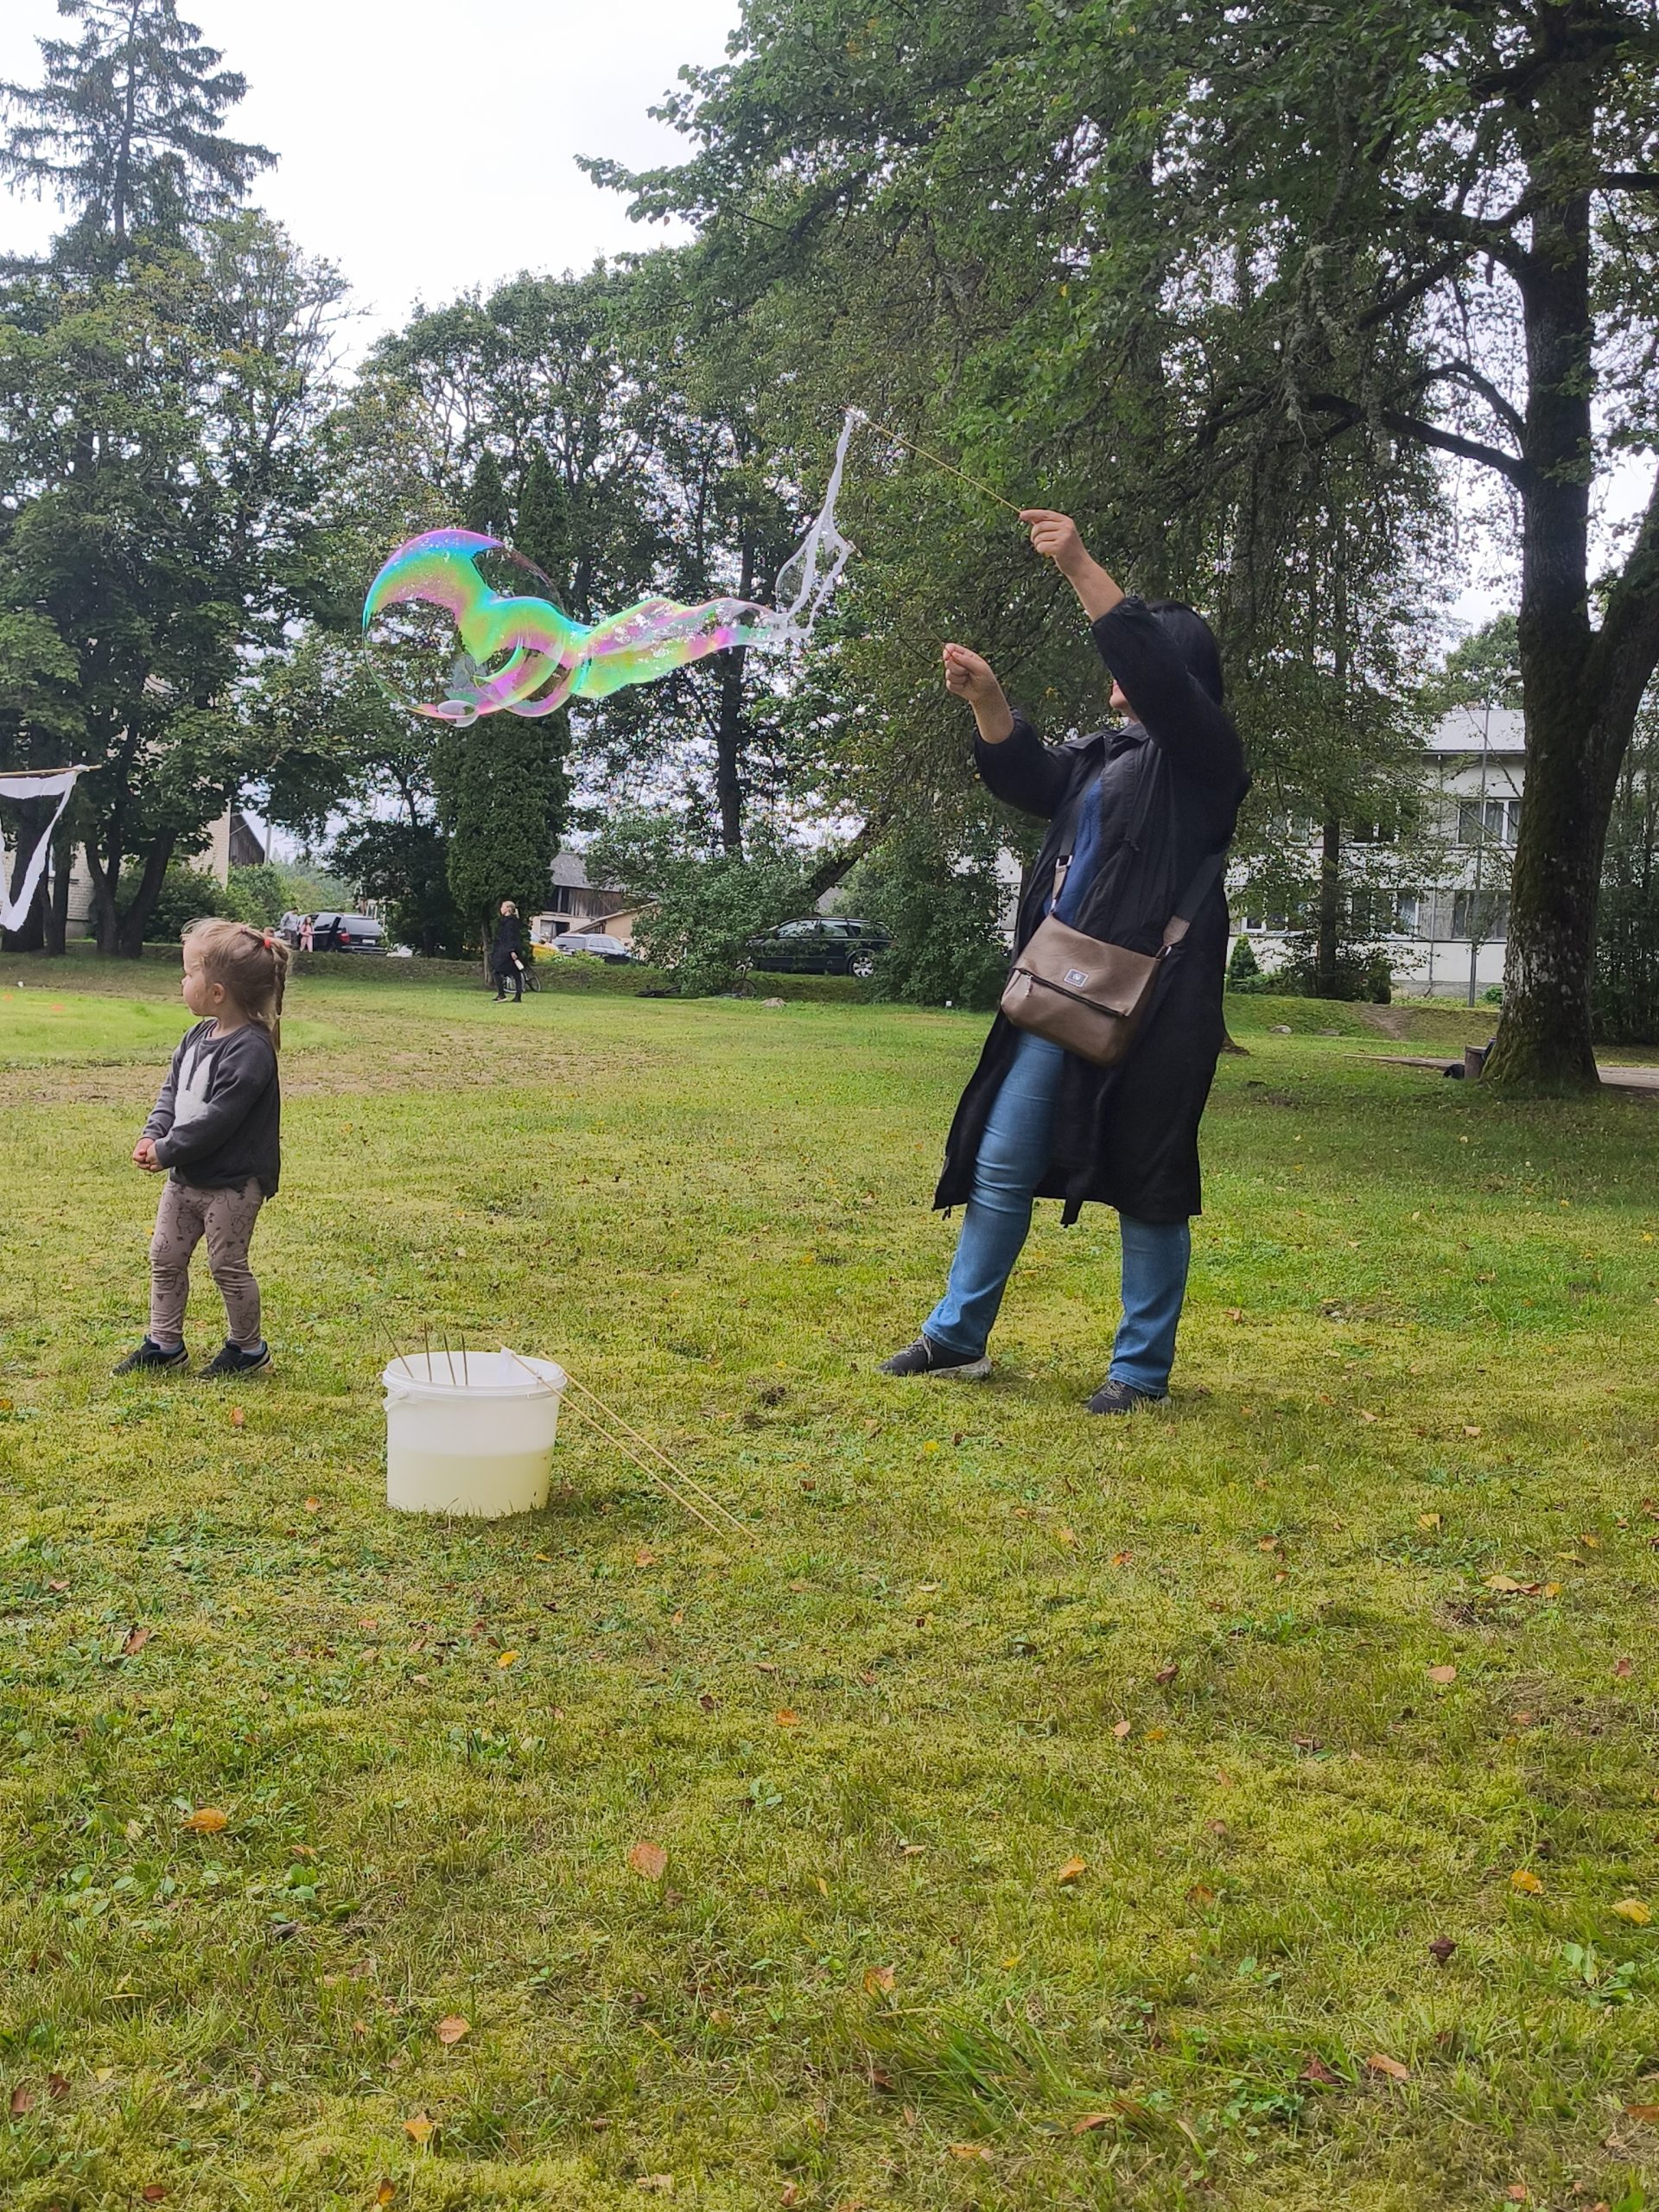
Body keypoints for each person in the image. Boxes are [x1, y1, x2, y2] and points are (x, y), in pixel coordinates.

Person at [880, 510, 1248, 1413]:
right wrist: (988, 701)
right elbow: (1028, 776)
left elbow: (1155, 674)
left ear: (1173, 668)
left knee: (1151, 1182)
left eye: (1141, 648)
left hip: (1160, 1003)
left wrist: (1079, 563)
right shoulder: (1105, 754)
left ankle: (1141, 1374)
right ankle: (958, 1337)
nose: (1118, 664)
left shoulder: (1205, 758)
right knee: (1002, 1156)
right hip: (1059, 986)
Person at [113, 919, 289, 1379]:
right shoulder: (195, 1038)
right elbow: (172, 1094)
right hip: (185, 1178)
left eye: (189, 973)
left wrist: (168, 1150)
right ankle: (165, 1343)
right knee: (165, 1256)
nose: (182, 981)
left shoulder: (251, 1050)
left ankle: (248, 1350)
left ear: (217, 992)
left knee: (227, 1264)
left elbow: (218, 1120)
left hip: (233, 1183)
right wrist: (153, 1134)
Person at [492, 899, 525, 1001]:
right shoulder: (512, 921)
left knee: (497, 970)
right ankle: (518, 996)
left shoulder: (509, 923)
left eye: (503, 906)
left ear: (508, 909)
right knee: (515, 973)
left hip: (506, 950)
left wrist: (511, 951)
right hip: (510, 949)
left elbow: (510, 937)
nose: (501, 909)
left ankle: (501, 994)